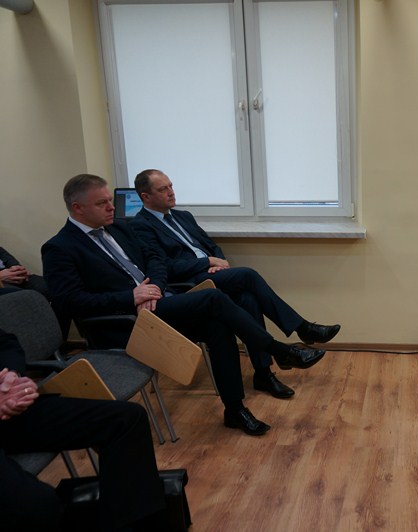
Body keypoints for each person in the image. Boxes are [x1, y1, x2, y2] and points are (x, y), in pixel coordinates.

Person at [42, 174, 326, 436]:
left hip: (158, 303)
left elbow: (155, 260)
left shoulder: (119, 229)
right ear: (78, 208)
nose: (111, 207)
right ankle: (279, 350)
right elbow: (69, 302)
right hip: (125, 321)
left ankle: (234, 409)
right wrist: (132, 297)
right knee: (214, 297)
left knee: (218, 326)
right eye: (101, 203)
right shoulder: (60, 247)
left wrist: (154, 289)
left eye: (109, 200)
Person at [129, 169, 340, 399]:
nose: (171, 192)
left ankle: (263, 374)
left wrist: (219, 263)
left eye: (171, 186)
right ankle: (302, 328)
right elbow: (164, 267)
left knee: (249, 299)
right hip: (187, 284)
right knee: (247, 275)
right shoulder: (140, 225)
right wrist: (207, 262)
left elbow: (211, 246)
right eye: (163, 189)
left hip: (212, 273)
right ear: (145, 196)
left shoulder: (183, 216)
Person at [0, 328, 167, 530]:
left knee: (127, 420)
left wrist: (12, 376)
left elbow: (6, 343)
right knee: (37, 505)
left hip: (10, 412)